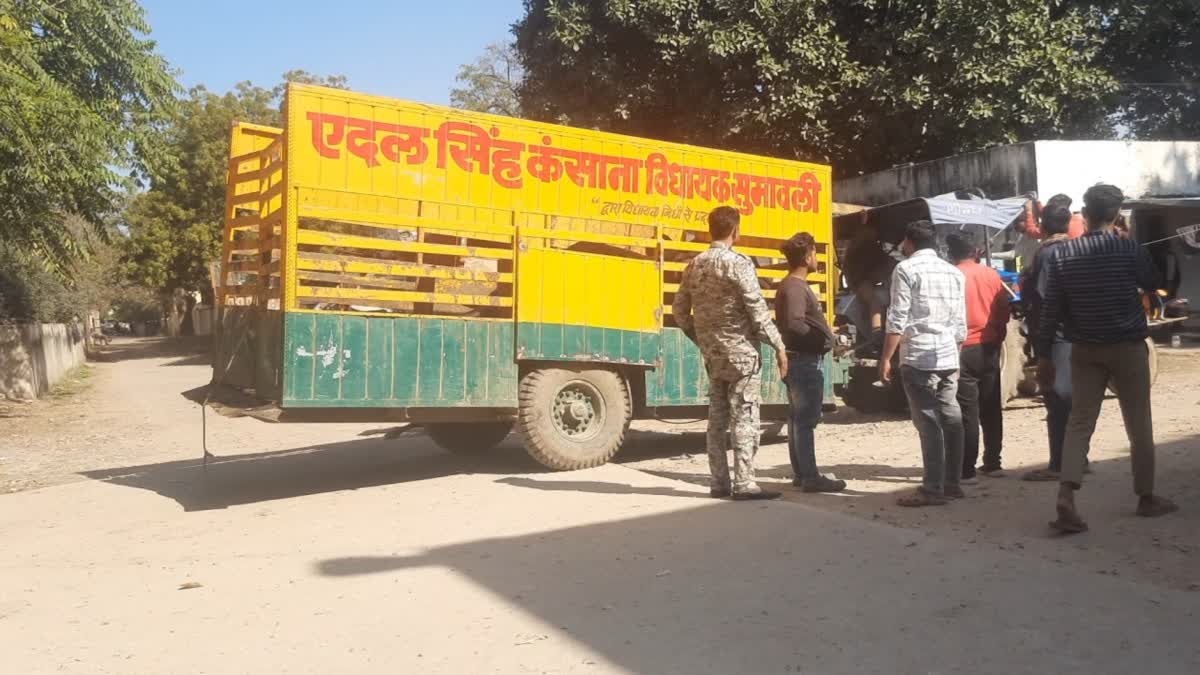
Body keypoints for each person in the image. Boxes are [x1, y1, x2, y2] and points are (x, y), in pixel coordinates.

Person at [1037, 184, 1176, 533]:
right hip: (1127, 346)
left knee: (1080, 422)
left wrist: (1043, 356)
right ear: (1116, 214)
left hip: (1083, 348)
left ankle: (1066, 496)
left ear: (1084, 213)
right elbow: (1154, 282)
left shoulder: (1063, 255)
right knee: (1138, 422)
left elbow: (1051, 309)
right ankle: (1146, 496)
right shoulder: (1127, 248)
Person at [673, 206, 788, 501]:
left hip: (714, 355)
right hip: (743, 355)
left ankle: (719, 482)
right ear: (735, 231)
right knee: (745, 418)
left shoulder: (694, 265)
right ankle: (745, 483)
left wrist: (701, 339)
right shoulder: (739, 263)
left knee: (717, 419)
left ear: (711, 229)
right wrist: (778, 345)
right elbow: (757, 310)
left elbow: (680, 311)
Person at [880, 221, 967, 507]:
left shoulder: (905, 270)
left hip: (918, 356)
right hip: (947, 356)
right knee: (952, 419)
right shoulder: (954, 272)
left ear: (909, 241)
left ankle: (933, 488)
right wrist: (955, 355)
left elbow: (897, 317)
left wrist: (886, 358)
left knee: (928, 422)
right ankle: (953, 483)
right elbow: (959, 323)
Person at [776, 232, 846, 493]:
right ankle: (810, 477)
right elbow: (795, 323)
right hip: (805, 361)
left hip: (799, 360)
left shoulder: (791, 285)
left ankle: (802, 473)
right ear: (807, 257)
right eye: (815, 253)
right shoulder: (795, 286)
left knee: (797, 419)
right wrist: (819, 340)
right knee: (805, 421)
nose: (816, 258)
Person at [1020, 205, 1077, 482]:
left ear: (1042, 225)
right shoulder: (1078, 248)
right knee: (1070, 398)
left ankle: (1059, 464)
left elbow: (1045, 300)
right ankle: (1077, 458)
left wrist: (1043, 348)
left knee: (1057, 399)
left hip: (1055, 336)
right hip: (1077, 334)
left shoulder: (1046, 253)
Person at [946, 232, 1009, 481]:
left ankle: (967, 468)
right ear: (975, 252)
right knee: (991, 406)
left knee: (967, 410)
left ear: (951, 254)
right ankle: (993, 462)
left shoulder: (952, 275)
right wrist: (998, 335)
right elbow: (1004, 310)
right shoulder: (991, 274)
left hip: (963, 348)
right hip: (989, 346)